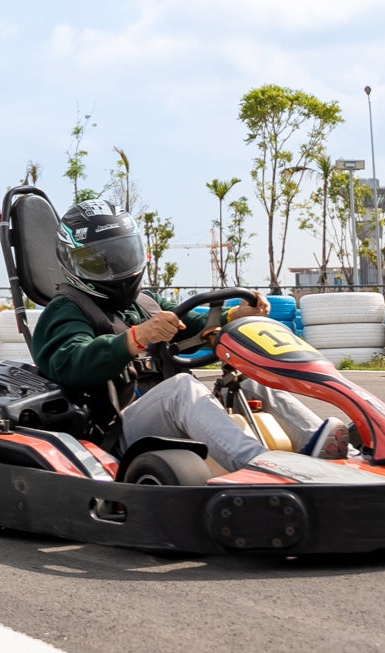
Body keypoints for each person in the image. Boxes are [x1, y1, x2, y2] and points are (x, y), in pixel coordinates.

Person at [31, 200, 349, 471]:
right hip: (112, 432)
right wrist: (134, 339)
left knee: (247, 377)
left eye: (121, 255)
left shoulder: (145, 302)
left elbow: (193, 322)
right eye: (100, 261)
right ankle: (262, 466)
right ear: (72, 261)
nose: (115, 267)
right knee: (181, 388)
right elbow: (69, 363)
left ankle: (328, 448)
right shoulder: (66, 309)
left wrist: (233, 316)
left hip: (158, 416)